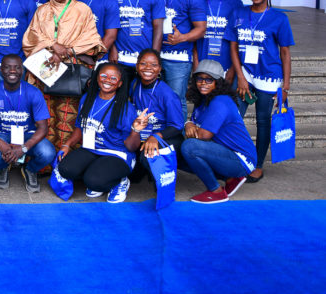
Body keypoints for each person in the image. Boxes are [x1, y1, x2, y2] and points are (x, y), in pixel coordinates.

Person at [22, 0, 105, 151]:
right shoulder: (42, 10)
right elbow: (30, 39)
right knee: (46, 118)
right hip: (45, 72)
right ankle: (44, 162)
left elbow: (93, 40)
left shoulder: (82, 10)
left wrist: (65, 51)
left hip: (73, 74)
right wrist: (53, 45)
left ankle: (65, 162)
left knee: (68, 119)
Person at [227, 0, 294, 182]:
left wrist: (286, 86)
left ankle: (257, 164)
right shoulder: (239, 13)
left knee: (263, 121)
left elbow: (285, 53)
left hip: (269, 77)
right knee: (234, 116)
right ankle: (237, 157)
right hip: (245, 73)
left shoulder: (279, 18)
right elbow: (233, 47)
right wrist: (240, 76)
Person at [57, 64, 146, 203]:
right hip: (91, 148)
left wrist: (136, 131)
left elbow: (131, 147)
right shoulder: (87, 98)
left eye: (113, 78)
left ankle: (120, 181)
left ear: (120, 83)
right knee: (65, 169)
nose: (107, 80)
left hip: (117, 153)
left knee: (93, 181)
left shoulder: (126, 108)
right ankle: (101, 173)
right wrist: (67, 145)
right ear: (97, 78)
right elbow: (79, 128)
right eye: (103, 76)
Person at [181, 60, 259, 204]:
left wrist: (190, 127)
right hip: (226, 152)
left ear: (218, 82)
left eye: (209, 79)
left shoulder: (220, 101)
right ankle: (230, 178)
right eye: (200, 78)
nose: (203, 83)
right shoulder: (204, 100)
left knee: (189, 147)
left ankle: (216, 191)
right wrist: (188, 124)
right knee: (180, 153)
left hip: (241, 159)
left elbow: (203, 136)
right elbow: (193, 125)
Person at [0, 54, 56, 192]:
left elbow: (43, 128)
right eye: (8, 67)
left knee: (48, 152)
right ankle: (3, 167)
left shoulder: (34, 92)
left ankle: (30, 170)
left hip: (27, 134)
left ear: (23, 70)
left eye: (17, 68)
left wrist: (24, 148)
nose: (13, 71)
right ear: (1, 70)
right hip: (2, 134)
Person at [132, 49, 186, 182]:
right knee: (133, 176)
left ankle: (165, 177)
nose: (148, 68)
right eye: (143, 63)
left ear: (160, 69)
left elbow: (177, 126)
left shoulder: (167, 94)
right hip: (143, 134)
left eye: (154, 65)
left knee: (147, 157)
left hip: (166, 137)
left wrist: (156, 136)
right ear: (137, 65)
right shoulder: (134, 85)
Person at [159, 0, 207, 100]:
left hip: (178, 58)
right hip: (154, 54)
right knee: (155, 98)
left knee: (176, 100)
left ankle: (178, 124)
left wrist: (182, 38)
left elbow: (201, 28)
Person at [107, 0, 165, 73]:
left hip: (144, 60)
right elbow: (106, 25)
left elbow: (158, 28)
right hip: (119, 57)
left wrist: (154, 57)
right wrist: (111, 49)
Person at [196, 0, 243, 78]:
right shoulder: (196, 2)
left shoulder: (235, 3)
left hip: (228, 63)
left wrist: (233, 70)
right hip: (203, 64)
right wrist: (196, 66)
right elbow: (193, 41)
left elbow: (239, 40)